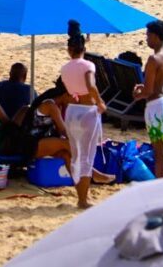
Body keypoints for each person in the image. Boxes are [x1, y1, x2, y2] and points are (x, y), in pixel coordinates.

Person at [60, 20, 111, 208]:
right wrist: (100, 102)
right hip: (87, 111)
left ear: (69, 49)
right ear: (84, 47)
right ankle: (83, 199)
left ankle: (81, 195)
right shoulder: (88, 65)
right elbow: (90, 86)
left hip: (72, 111)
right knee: (87, 155)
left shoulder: (65, 68)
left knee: (76, 154)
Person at [133, 20, 163, 177]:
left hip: (156, 106)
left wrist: (137, 95)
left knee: (158, 151)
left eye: (148, 36)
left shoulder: (153, 60)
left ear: (155, 36)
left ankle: (159, 184)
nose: (146, 39)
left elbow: (148, 91)